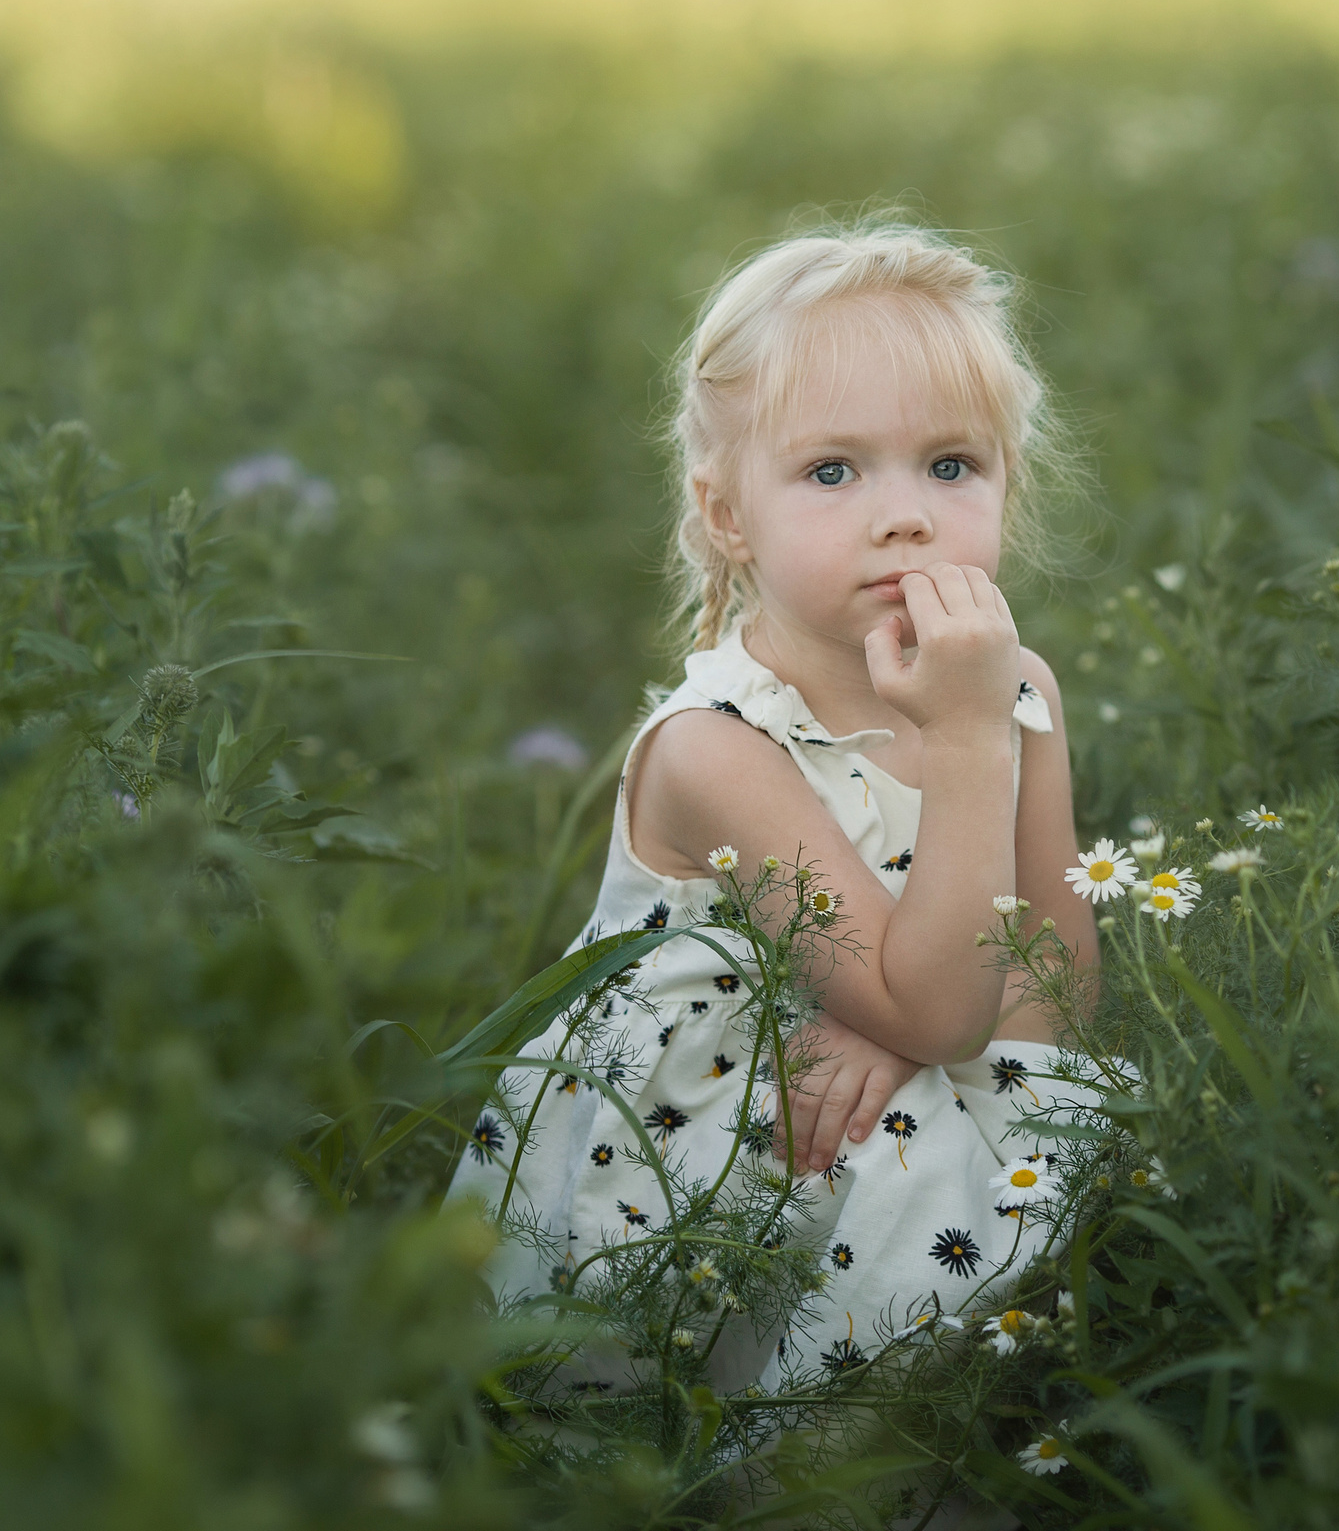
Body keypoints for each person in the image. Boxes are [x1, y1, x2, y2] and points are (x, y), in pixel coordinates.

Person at [444, 220, 1101, 1393]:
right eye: (831, 471)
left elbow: (1056, 985)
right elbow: (938, 1008)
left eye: (952, 466)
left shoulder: (1018, 689)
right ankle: (775, 1473)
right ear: (728, 514)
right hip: (722, 1145)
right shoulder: (716, 751)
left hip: (912, 1071)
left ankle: (960, 1452)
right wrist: (961, 751)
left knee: (1055, 1156)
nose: (903, 516)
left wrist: (904, 1033)